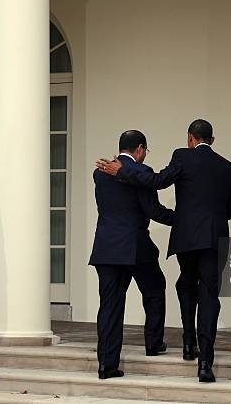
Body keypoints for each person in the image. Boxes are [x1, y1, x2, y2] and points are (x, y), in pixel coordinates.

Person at [97, 119, 231, 382]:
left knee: (183, 284)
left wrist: (185, 219)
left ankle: (185, 345)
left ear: (190, 138)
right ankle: (201, 362)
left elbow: (159, 181)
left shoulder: (179, 157)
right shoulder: (227, 167)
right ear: (212, 140)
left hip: (158, 241)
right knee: (203, 294)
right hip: (207, 238)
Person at [89, 130, 174, 380]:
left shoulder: (100, 172)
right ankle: (153, 343)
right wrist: (183, 220)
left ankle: (106, 364)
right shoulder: (143, 173)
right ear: (139, 148)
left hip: (105, 247)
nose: (145, 155)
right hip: (135, 246)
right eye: (146, 151)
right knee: (155, 288)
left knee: (110, 306)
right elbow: (154, 210)